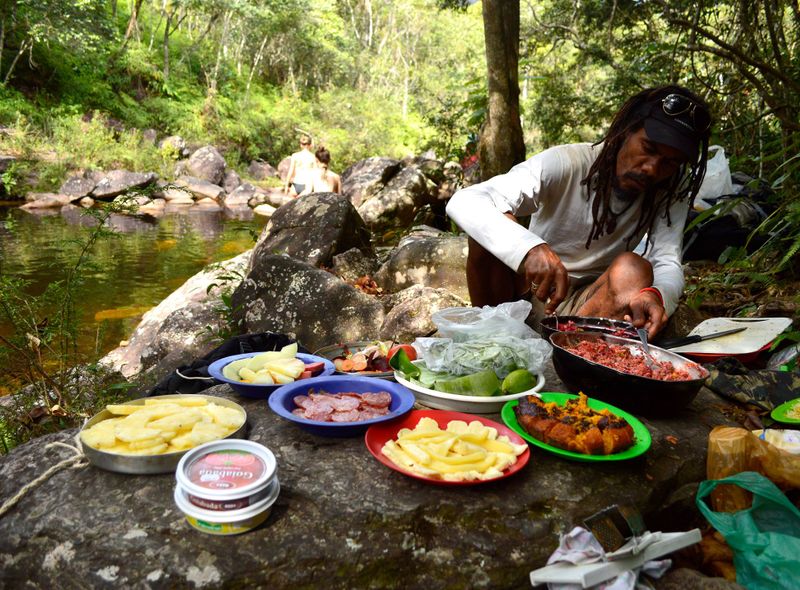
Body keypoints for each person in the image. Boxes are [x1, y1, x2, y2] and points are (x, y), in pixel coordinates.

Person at [445, 85, 712, 339]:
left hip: (588, 306)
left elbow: (666, 259)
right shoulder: (567, 162)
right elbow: (466, 200)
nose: (653, 169)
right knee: (484, 233)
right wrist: (529, 248)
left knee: (633, 269)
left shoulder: (671, 187)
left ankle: (566, 353)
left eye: (670, 162)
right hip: (528, 290)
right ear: (624, 132)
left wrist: (657, 294)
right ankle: (494, 336)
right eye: (648, 149)